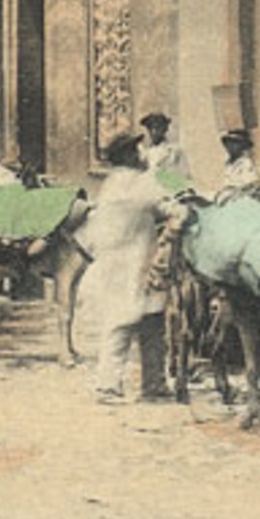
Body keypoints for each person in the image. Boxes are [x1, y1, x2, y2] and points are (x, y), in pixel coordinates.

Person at [82, 129, 172, 404]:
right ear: (129, 156)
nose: (142, 154)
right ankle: (110, 386)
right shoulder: (139, 183)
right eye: (137, 150)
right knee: (129, 323)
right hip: (135, 265)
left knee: (142, 322)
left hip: (116, 264)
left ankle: (151, 383)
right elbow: (171, 208)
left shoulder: (111, 184)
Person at [140, 111, 191, 180]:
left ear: (165, 129)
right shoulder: (144, 153)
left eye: (157, 128)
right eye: (150, 128)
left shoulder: (174, 151)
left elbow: (185, 176)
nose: (153, 132)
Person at [219, 128, 260, 194]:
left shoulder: (246, 163)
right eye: (228, 143)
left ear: (242, 146)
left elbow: (252, 186)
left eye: (234, 143)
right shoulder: (229, 164)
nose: (230, 147)